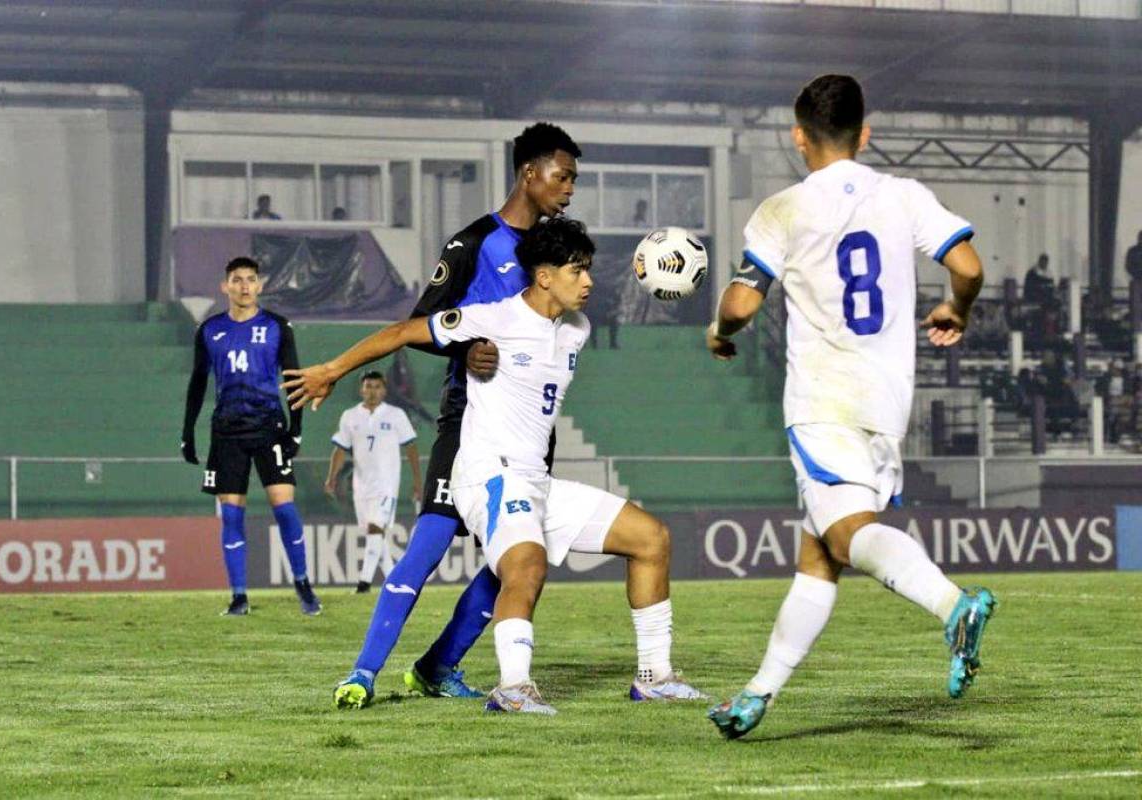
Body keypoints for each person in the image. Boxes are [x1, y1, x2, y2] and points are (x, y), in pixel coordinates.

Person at [285, 217, 704, 714]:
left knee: (651, 538)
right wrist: (332, 370)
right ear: (544, 276)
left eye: (588, 269)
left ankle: (654, 676)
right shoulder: (494, 318)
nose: (588, 281)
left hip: (535, 479)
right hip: (487, 472)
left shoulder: (577, 328)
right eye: (577, 270)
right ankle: (513, 688)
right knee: (525, 566)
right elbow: (402, 331)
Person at [704, 74, 996, 740]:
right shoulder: (904, 195)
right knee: (818, 557)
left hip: (823, 400)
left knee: (840, 535)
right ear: (865, 135)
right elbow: (971, 267)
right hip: (886, 403)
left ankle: (955, 606)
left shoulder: (781, 209)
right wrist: (957, 307)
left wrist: (719, 332)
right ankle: (755, 696)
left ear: (797, 137)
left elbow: (743, 303)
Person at [322, 123, 582, 709]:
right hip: (470, 418)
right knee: (430, 543)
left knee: (514, 562)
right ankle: (362, 673)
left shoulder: (554, 253)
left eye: (573, 180)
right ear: (529, 173)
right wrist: (465, 349)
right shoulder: (474, 244)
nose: (569, 189)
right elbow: (421, 324)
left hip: (529, 430)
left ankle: (438, 667)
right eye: (562, 177)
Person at [181, 256, 320, 617]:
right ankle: (239, 597)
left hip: (268, 427)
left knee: (284, 508)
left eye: (250, 280)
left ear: (259, 286)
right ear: (225, 286)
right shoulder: (209, 331)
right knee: (231, 515)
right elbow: (198, 383)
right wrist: (187, 433)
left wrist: (297, 430)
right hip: (226, 432)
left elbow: (294, 380)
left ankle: (303, 584)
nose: (244, 286)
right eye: (237, 280)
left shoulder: (277, 327)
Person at [324, 371, 422, 593]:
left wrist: (417, 481)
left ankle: (364, 583)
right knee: (375, 534)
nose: (372, 391)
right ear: (362, 389)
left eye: (377, 387)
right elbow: (339, 449)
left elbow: (411, 448)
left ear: (384, 390)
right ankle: (393, 582)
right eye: (368, 386)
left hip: (387, 485)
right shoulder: (350, 416)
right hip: (362, 486)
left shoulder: (396, 415)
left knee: (375, 528)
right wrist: (331, 478)